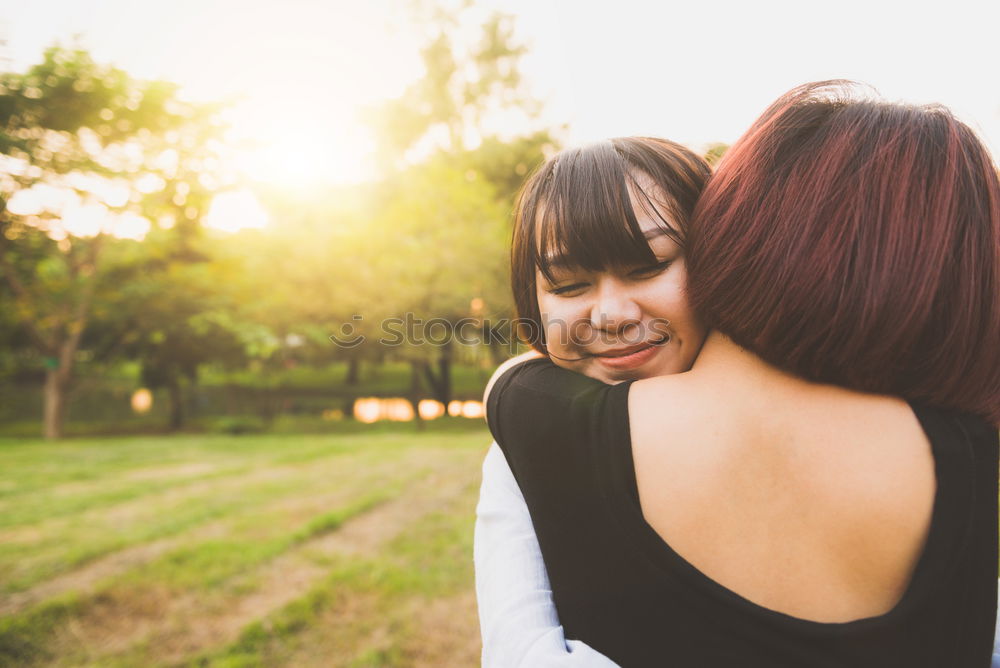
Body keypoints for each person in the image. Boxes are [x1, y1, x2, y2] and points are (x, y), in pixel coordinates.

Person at [479, 81, 1000, 666]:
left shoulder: (535, 418)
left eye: (649, 265)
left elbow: (521, 649)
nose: (610, 314)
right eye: (568, 284)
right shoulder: (962, 451)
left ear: (723, 246)